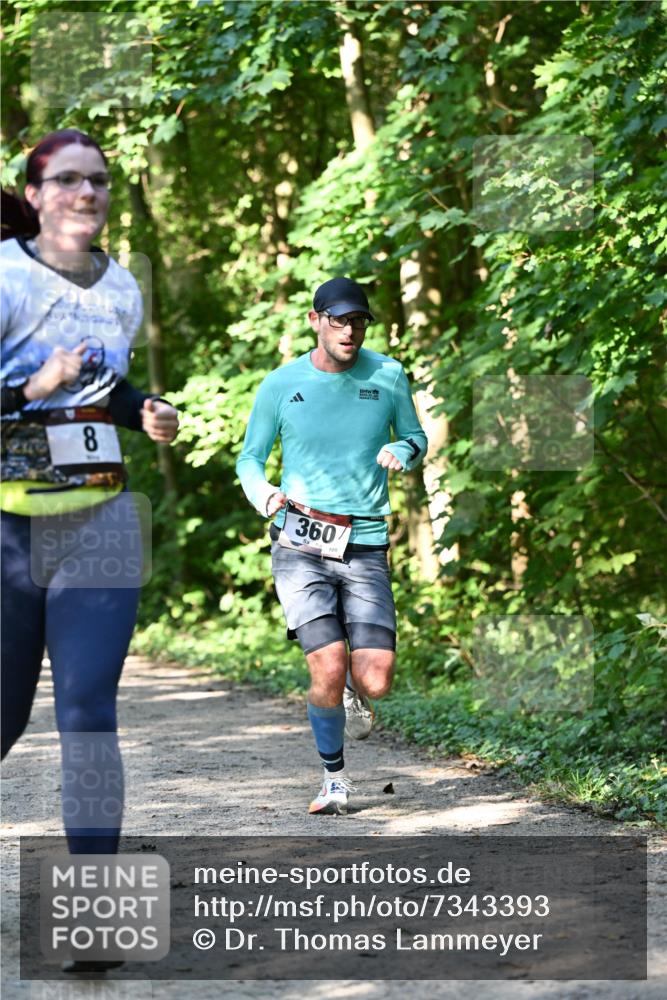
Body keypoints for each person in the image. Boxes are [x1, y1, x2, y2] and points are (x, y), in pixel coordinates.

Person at [0, 130, 179, 968]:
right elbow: (37, 388)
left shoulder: (122, 286)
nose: (87, 192)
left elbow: (104, 388)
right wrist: (29, 389)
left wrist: (143, 409)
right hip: (6, 523)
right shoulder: (3, 276)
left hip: (99, 518)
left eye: (99, 181)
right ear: (33, 194)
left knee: (87, 715)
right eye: (67, 180)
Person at [236, 277, 427, 815]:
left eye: (358, 321)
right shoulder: (280, 384)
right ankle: (334, 779)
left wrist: (402, 450)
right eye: (339, 320)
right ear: (316, 320)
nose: (349, 331)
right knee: (326, 664)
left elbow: (416, 437)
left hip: (365, 541)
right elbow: (249, 457)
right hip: (300, 540)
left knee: (376, 679)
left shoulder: (387, 374)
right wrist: (262, 492)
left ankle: (351, 690)